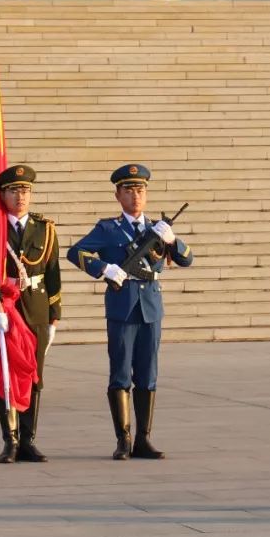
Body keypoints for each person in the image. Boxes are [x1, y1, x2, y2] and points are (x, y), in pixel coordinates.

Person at [66, 163, 193, 460]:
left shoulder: (158, 229)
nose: (135, 196)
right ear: (117, 195)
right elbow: (76, 252)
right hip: (122, 307)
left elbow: (186, 260)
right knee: (121, 372)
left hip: (150, 306)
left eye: (140, 190)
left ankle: (144, 439)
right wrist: (103, 268)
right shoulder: (108, 229)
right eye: (129, 190)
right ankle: (123, 439)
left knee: (148, 374)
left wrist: (173, 240)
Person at [0, 164, 62, 463]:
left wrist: (54, 316)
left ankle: (28, 439)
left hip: (36, 306)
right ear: (2, 194)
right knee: (5, 372)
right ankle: (10, 440)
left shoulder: (45, 228)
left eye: (25, 190)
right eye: (14, 191)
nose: (20, 196)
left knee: (33, 374)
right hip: (7, 308)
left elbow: (53, 273)